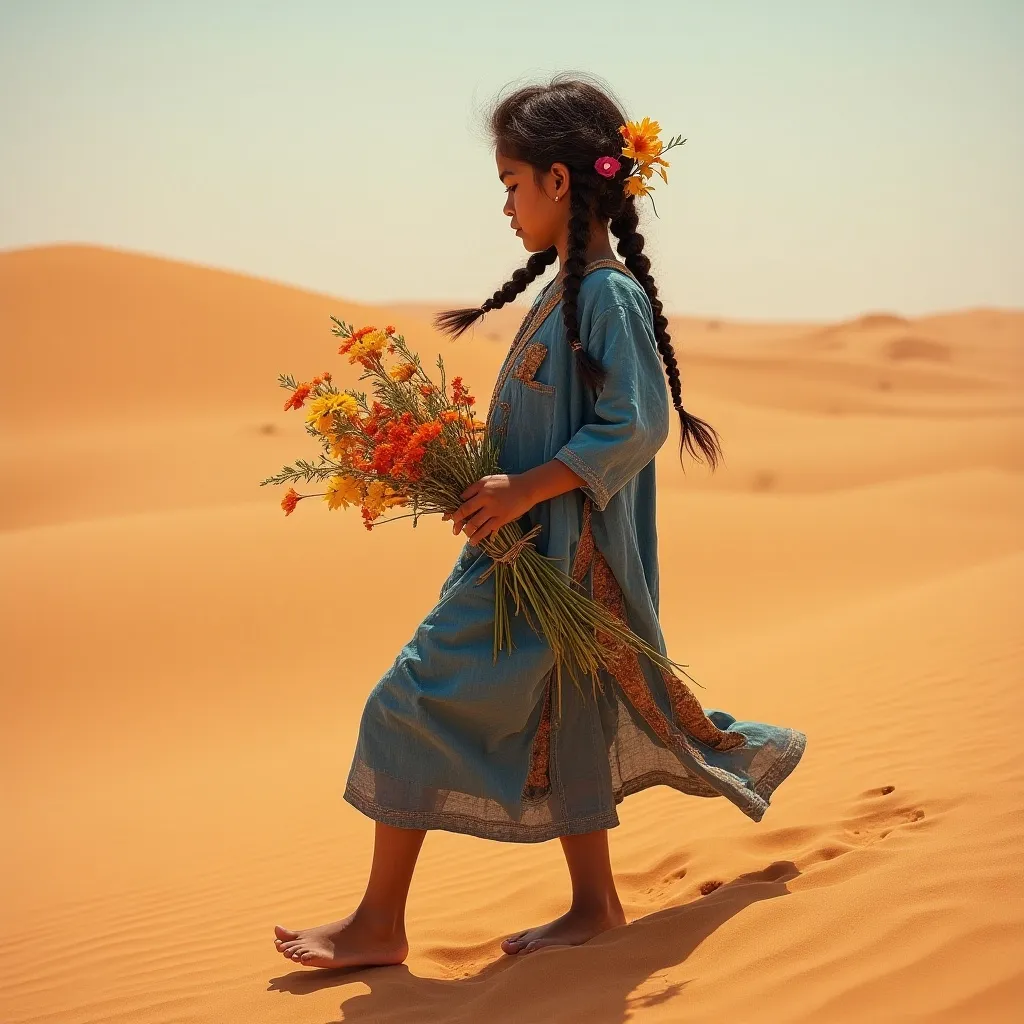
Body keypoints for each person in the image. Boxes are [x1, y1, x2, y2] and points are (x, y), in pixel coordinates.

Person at [274, 74, 806, 969]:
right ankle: (596, 905)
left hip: (565, 559)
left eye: (513, 184)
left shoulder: (607, 294)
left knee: (404, 702)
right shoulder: (564, 293)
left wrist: (522, 491)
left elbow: (638, 424)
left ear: (561, 182)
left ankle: (378, 925)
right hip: (523, 560)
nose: (508, 206)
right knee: (574, 716)